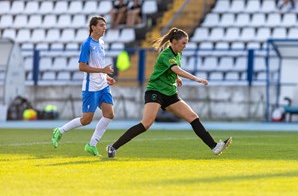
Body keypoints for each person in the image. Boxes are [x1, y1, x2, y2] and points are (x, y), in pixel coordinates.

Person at [106, 27, 232, 158]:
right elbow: (176, 68)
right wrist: (196, 78)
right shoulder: (166, 54)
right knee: (146, 124)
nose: (185, 45)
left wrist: (176, 78)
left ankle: (214, 146)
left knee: (192, 117)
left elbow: (171, 69)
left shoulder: (178, 53)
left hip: (170, 93)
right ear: (174, 42)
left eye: (186, 43)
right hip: (156, 91)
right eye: (183, 43)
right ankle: (113, 147)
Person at [51, 16, 116, 156]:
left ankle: (92, 145)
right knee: (86, 120)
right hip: (91, 87)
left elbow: (98, 65)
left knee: (109, 114)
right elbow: (82, 66)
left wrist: (106, 77)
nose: (104, 28)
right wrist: (102, 71)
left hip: (102, 85)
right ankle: (60, 131)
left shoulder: (101, 43)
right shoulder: (87, 44)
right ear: (93, 27)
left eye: (105, 25)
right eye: (101, 25)